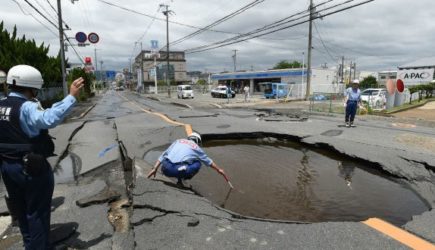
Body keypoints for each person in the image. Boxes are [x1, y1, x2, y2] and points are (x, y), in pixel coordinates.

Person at [0, 65, 85, 249]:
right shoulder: (26, 107)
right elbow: (48, 118)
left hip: (7, 167)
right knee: (37, 213)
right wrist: (71, 96)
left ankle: (31, 246)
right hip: (30, 168)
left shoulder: (1, 105)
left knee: (22, 213)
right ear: (32, 86)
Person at [147, 132, 230, 186]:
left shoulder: (178, 141)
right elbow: (209, 162)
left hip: (164, 168)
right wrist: (219, 170)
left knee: (183, 160)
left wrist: (155, 169)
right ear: (198, 141)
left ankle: (179, 181)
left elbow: (164, 154)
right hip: (175, 170)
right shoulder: (196, 147)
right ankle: (183, 177)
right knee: (197, 162)